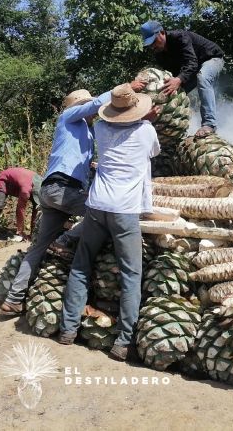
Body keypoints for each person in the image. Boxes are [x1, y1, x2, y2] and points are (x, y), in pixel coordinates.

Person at [58, 83, 160, 362]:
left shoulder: (100, 129)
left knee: (81, 264)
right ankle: (122, 343)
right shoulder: (147, 131)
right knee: (131, 274)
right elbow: (153, 152)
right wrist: (146, 121)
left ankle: (67, 330)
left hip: (96, 205)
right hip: (125, 210)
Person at [0, 89, 110, 316]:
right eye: (89, 107)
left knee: (38, 247)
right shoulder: (68, 117)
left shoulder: (86, 132)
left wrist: (93, 166)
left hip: (54, 193)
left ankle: (14, 299)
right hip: (62, 189)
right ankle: (65, 239)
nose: (94, 112)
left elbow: (77, 161)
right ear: (80, 106)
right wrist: (123, 89)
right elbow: (96, 103)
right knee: (104, 212)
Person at [136, 20, 224, 138]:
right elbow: (173, 74)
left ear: (162, 32)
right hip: (193, 69)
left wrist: (178, 80)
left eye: (154, 41)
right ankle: (177, 129)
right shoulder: (159, 53)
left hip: (211, 58)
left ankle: (209, 124)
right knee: (173, 92)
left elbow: (191, 62)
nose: (153, 46)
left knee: (202, 78)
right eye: (150, 44)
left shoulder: (180, 37)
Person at [0, 167, 42, 252]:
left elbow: (37, 210)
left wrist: (33, 234)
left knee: (37, 206)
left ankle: (33, 234)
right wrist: (21, 231)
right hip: (5, 180)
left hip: (17, 183)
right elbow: (20, 209)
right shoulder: (26, 189)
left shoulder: (40, 183)